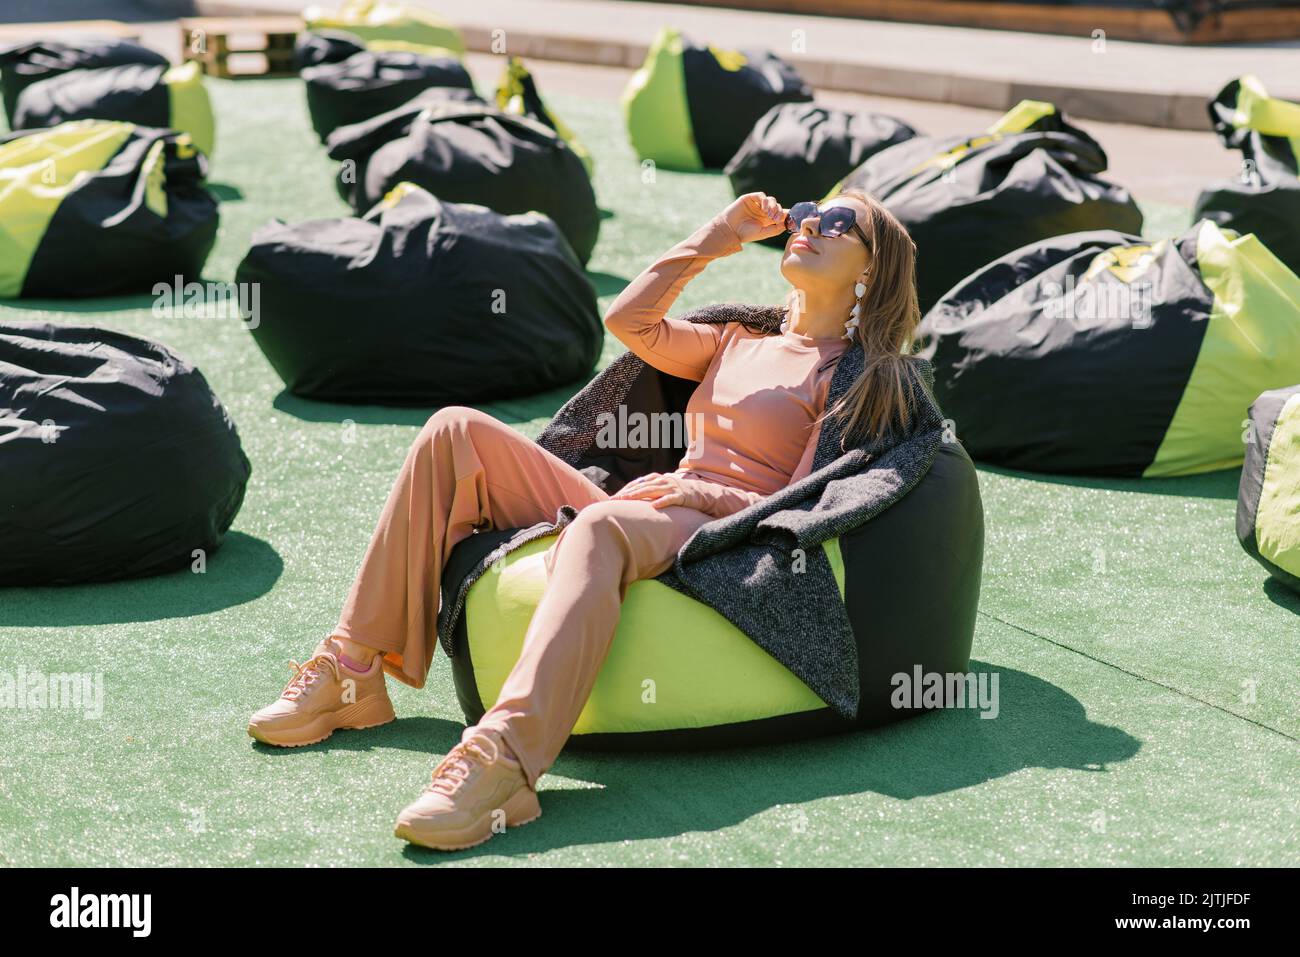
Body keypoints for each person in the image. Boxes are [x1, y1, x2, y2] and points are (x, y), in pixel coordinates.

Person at [247, 188, 924, 850]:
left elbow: (809, 501)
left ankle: (505, 760)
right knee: (454, 431)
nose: (808, 224)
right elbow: (632, 322)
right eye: (806, 214)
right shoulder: (736, 339)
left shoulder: (859, 374)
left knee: (599, 528)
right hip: (657, 504)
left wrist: (702, 499)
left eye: (837, 222)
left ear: (872, 266)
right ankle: (354, 670)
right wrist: (717, 237)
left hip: (718, 530)